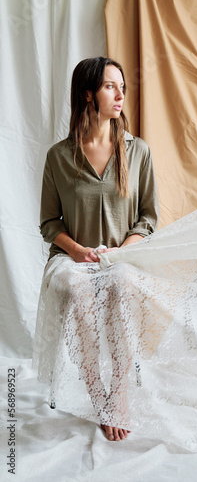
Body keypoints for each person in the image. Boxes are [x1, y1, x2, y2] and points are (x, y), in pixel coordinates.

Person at [35, 57, 159, 441]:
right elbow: (49, 224)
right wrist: (75, 250)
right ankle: (96, 393)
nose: (121, 94)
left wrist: (122, 251)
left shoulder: (138, 152)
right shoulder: (59, 156)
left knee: (122, 282)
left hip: (122, 257)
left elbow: (148, 219)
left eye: (122, 86)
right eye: (110, 86)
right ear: (88, 94)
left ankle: (118, 393)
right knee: (77, 288)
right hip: (75, 260)